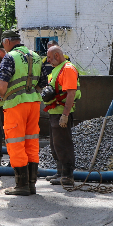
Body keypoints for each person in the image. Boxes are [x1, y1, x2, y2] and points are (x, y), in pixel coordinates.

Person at [0, 30, 42, 195]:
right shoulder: (35, 56)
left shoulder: (10, 57)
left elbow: (2, 87)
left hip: (16, 104)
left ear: (8, 41)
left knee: (15, 142)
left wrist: (2, 96)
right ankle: (31, 184)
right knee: (31, 142)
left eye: (3, 43)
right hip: (34, 103)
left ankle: (21, 185)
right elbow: (41, 84)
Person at [41, 46, 80, 186]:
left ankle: (67, 176)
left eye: (50, 58)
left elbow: (71, 93)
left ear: (57, 55)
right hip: (54, 112)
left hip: (61, 113)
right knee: (55, 144)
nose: (48, 61)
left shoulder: (68, 69)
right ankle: (60, 172)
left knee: (63, 144)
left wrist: (65, 115)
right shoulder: (58, 69)